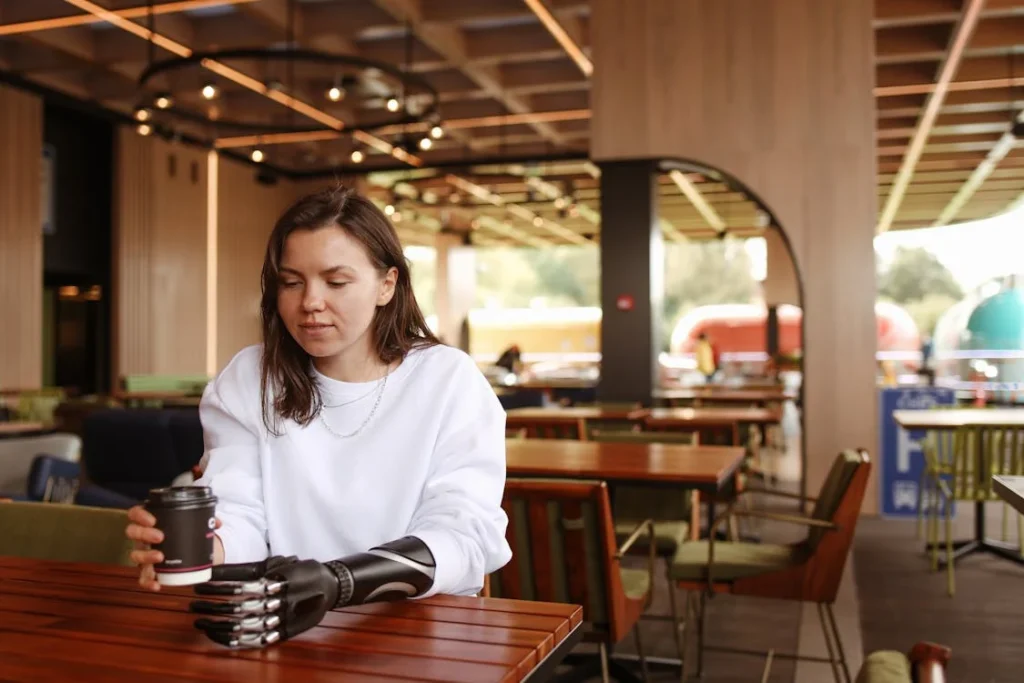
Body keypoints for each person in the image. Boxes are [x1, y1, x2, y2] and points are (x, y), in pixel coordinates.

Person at [124, 186, 512, 648]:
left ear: (386, 284)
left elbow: (463, 535)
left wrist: (337, 582)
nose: (310, 302)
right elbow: (241, 512)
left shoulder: (447, 379)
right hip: (291, 626)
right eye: (292, 282)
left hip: (423, 631)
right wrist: (200, 547)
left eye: (336, 282)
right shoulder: (250, 378)